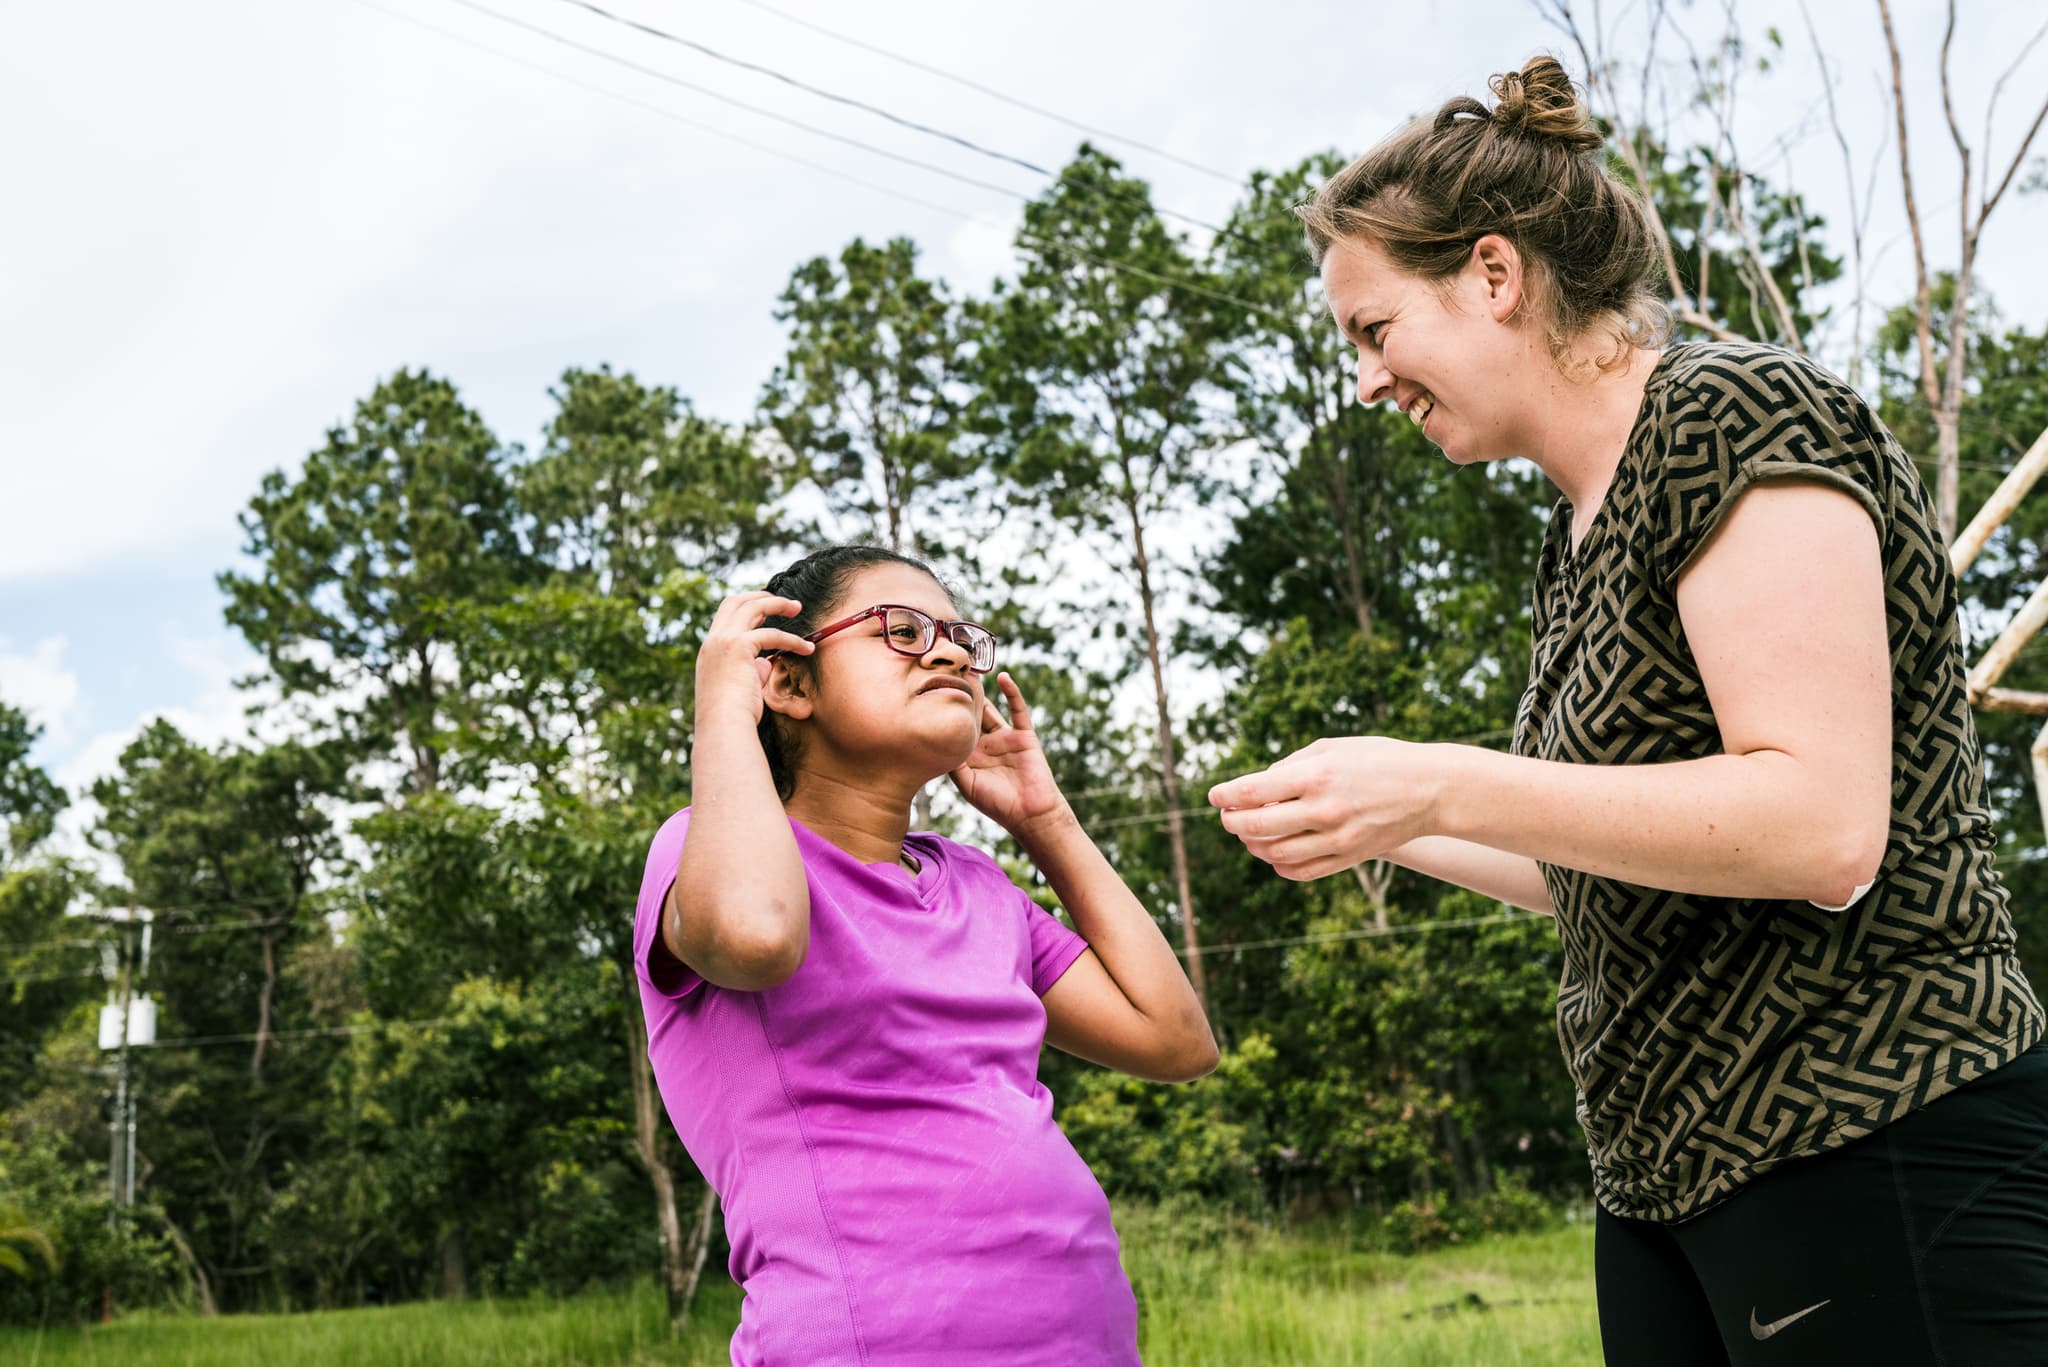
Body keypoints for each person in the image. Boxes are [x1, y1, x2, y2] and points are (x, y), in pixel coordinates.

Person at [1209, 54, 2048, 1367]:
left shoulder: (1736, 410)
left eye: (1374, 332)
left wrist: (1438, 780)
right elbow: (1604, 867)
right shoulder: (1575, 532)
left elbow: (1821, 825)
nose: (1367, 381)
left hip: (1863, 1132)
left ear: (1494, 274)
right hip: (1664, 1179)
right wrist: (1374, 823)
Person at [633, 544, 1216, 1366]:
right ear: (791, 682)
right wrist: (724, 705)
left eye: (958, 637)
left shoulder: (978, 886)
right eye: (899, 630)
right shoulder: (699, 850)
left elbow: (1176, 1039)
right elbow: (757, 937)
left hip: (1083, 1342)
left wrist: (1045, 822)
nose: (946, 651)